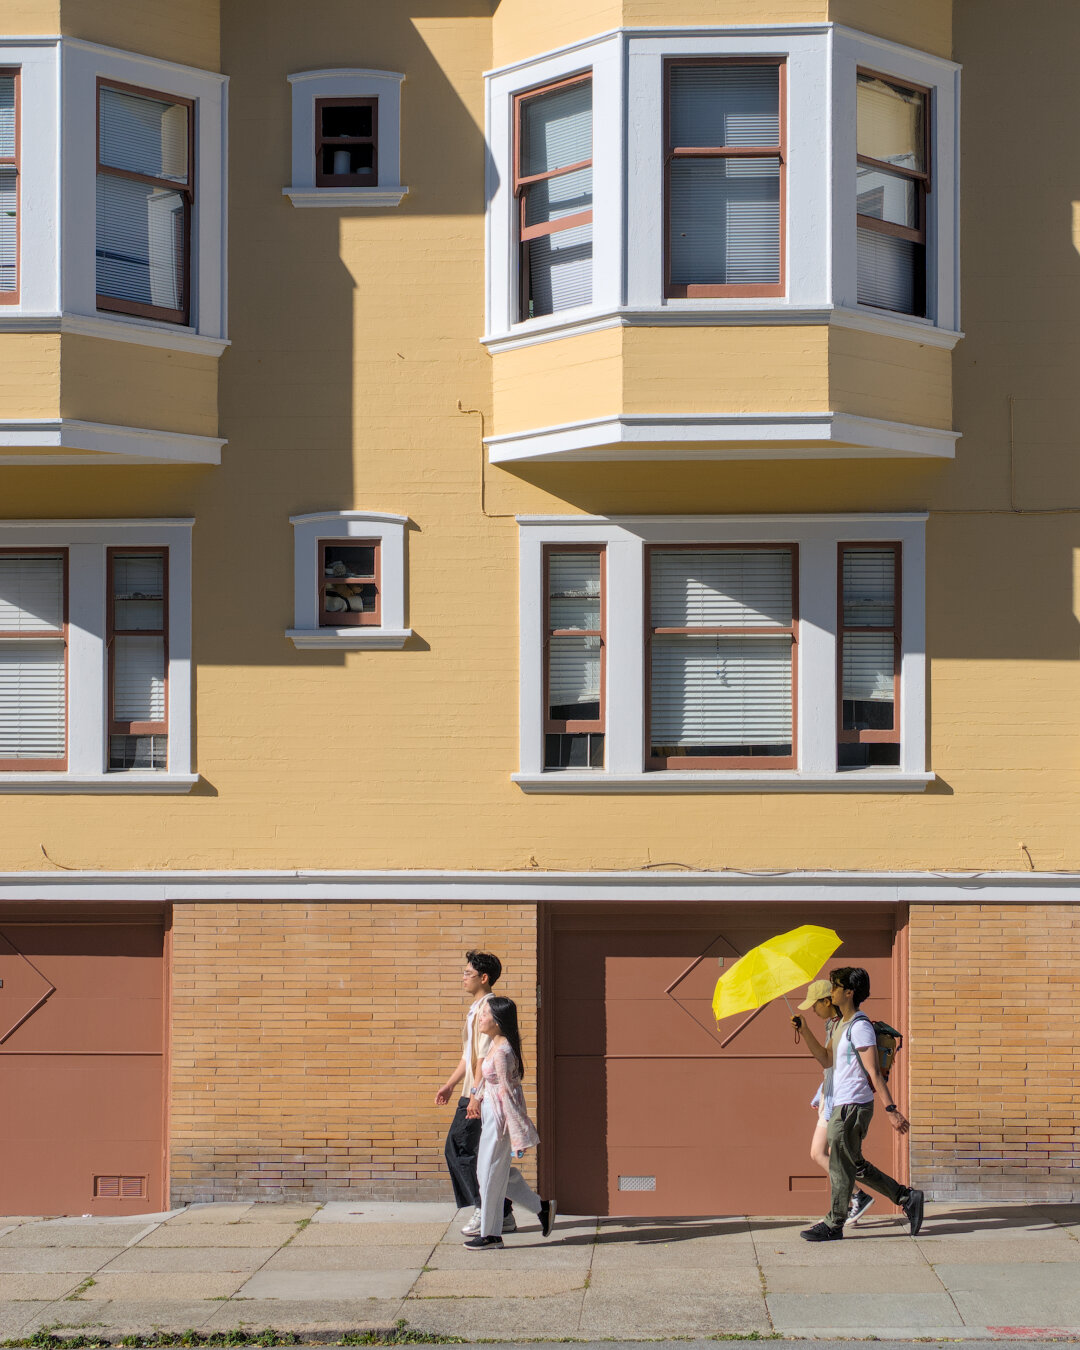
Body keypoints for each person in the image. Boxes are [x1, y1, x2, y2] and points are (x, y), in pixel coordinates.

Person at [795, 966, 924, 1242]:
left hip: (853, 1105)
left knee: (841, 1164)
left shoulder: (860, 1026)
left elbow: (874, 1072)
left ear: (849, 992)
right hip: (842, 1103)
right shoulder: (841, 1025)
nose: (831, 991)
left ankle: (834, 1223)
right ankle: (906, 1197)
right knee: (854, 1164)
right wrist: (804, 1031)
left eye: (835, 986)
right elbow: (826, 1060)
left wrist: (891, 1111)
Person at [464, 995, 556, 1251]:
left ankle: (491, 1234)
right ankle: (541, 1207)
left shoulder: (503, 1052)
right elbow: (488, 1082)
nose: (481, 1018)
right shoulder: (496, 1045)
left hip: (500, 1120)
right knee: (495, 1173)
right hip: (490, 1114)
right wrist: (476, 1098)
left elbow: (509, 1095)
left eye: (485, 1014)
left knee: (488, 1175)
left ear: (497, 1020)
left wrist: (517, 1136)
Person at [434, 951, 515, 1236]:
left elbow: (483, 1059)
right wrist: (450, 1084)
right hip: (471, 1091)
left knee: (459, 1149)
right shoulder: (475, 1009)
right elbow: (467, 1057)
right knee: (472, 1152)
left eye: (468, 973)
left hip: (478, 1094)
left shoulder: (488, 1010)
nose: (463, 978)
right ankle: (503, 1213)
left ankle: (485, 1209)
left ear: (484, 978)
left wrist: (474, 1096)